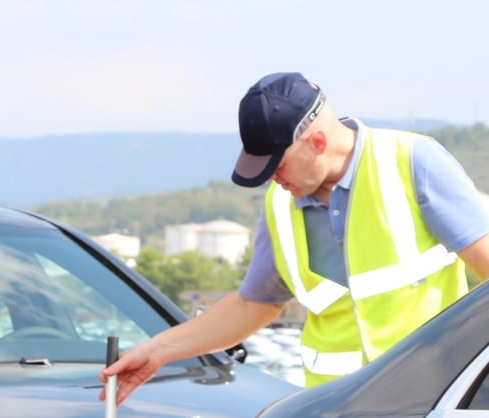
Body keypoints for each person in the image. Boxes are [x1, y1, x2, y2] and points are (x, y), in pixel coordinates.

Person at [101, 72, 489, 400]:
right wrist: (156, 351)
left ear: (316, 143)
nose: (271, 177)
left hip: (428, 406)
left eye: (277, 164)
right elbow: (253, 306)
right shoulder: (280, 205)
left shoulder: (411, 162)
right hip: (333, 417)